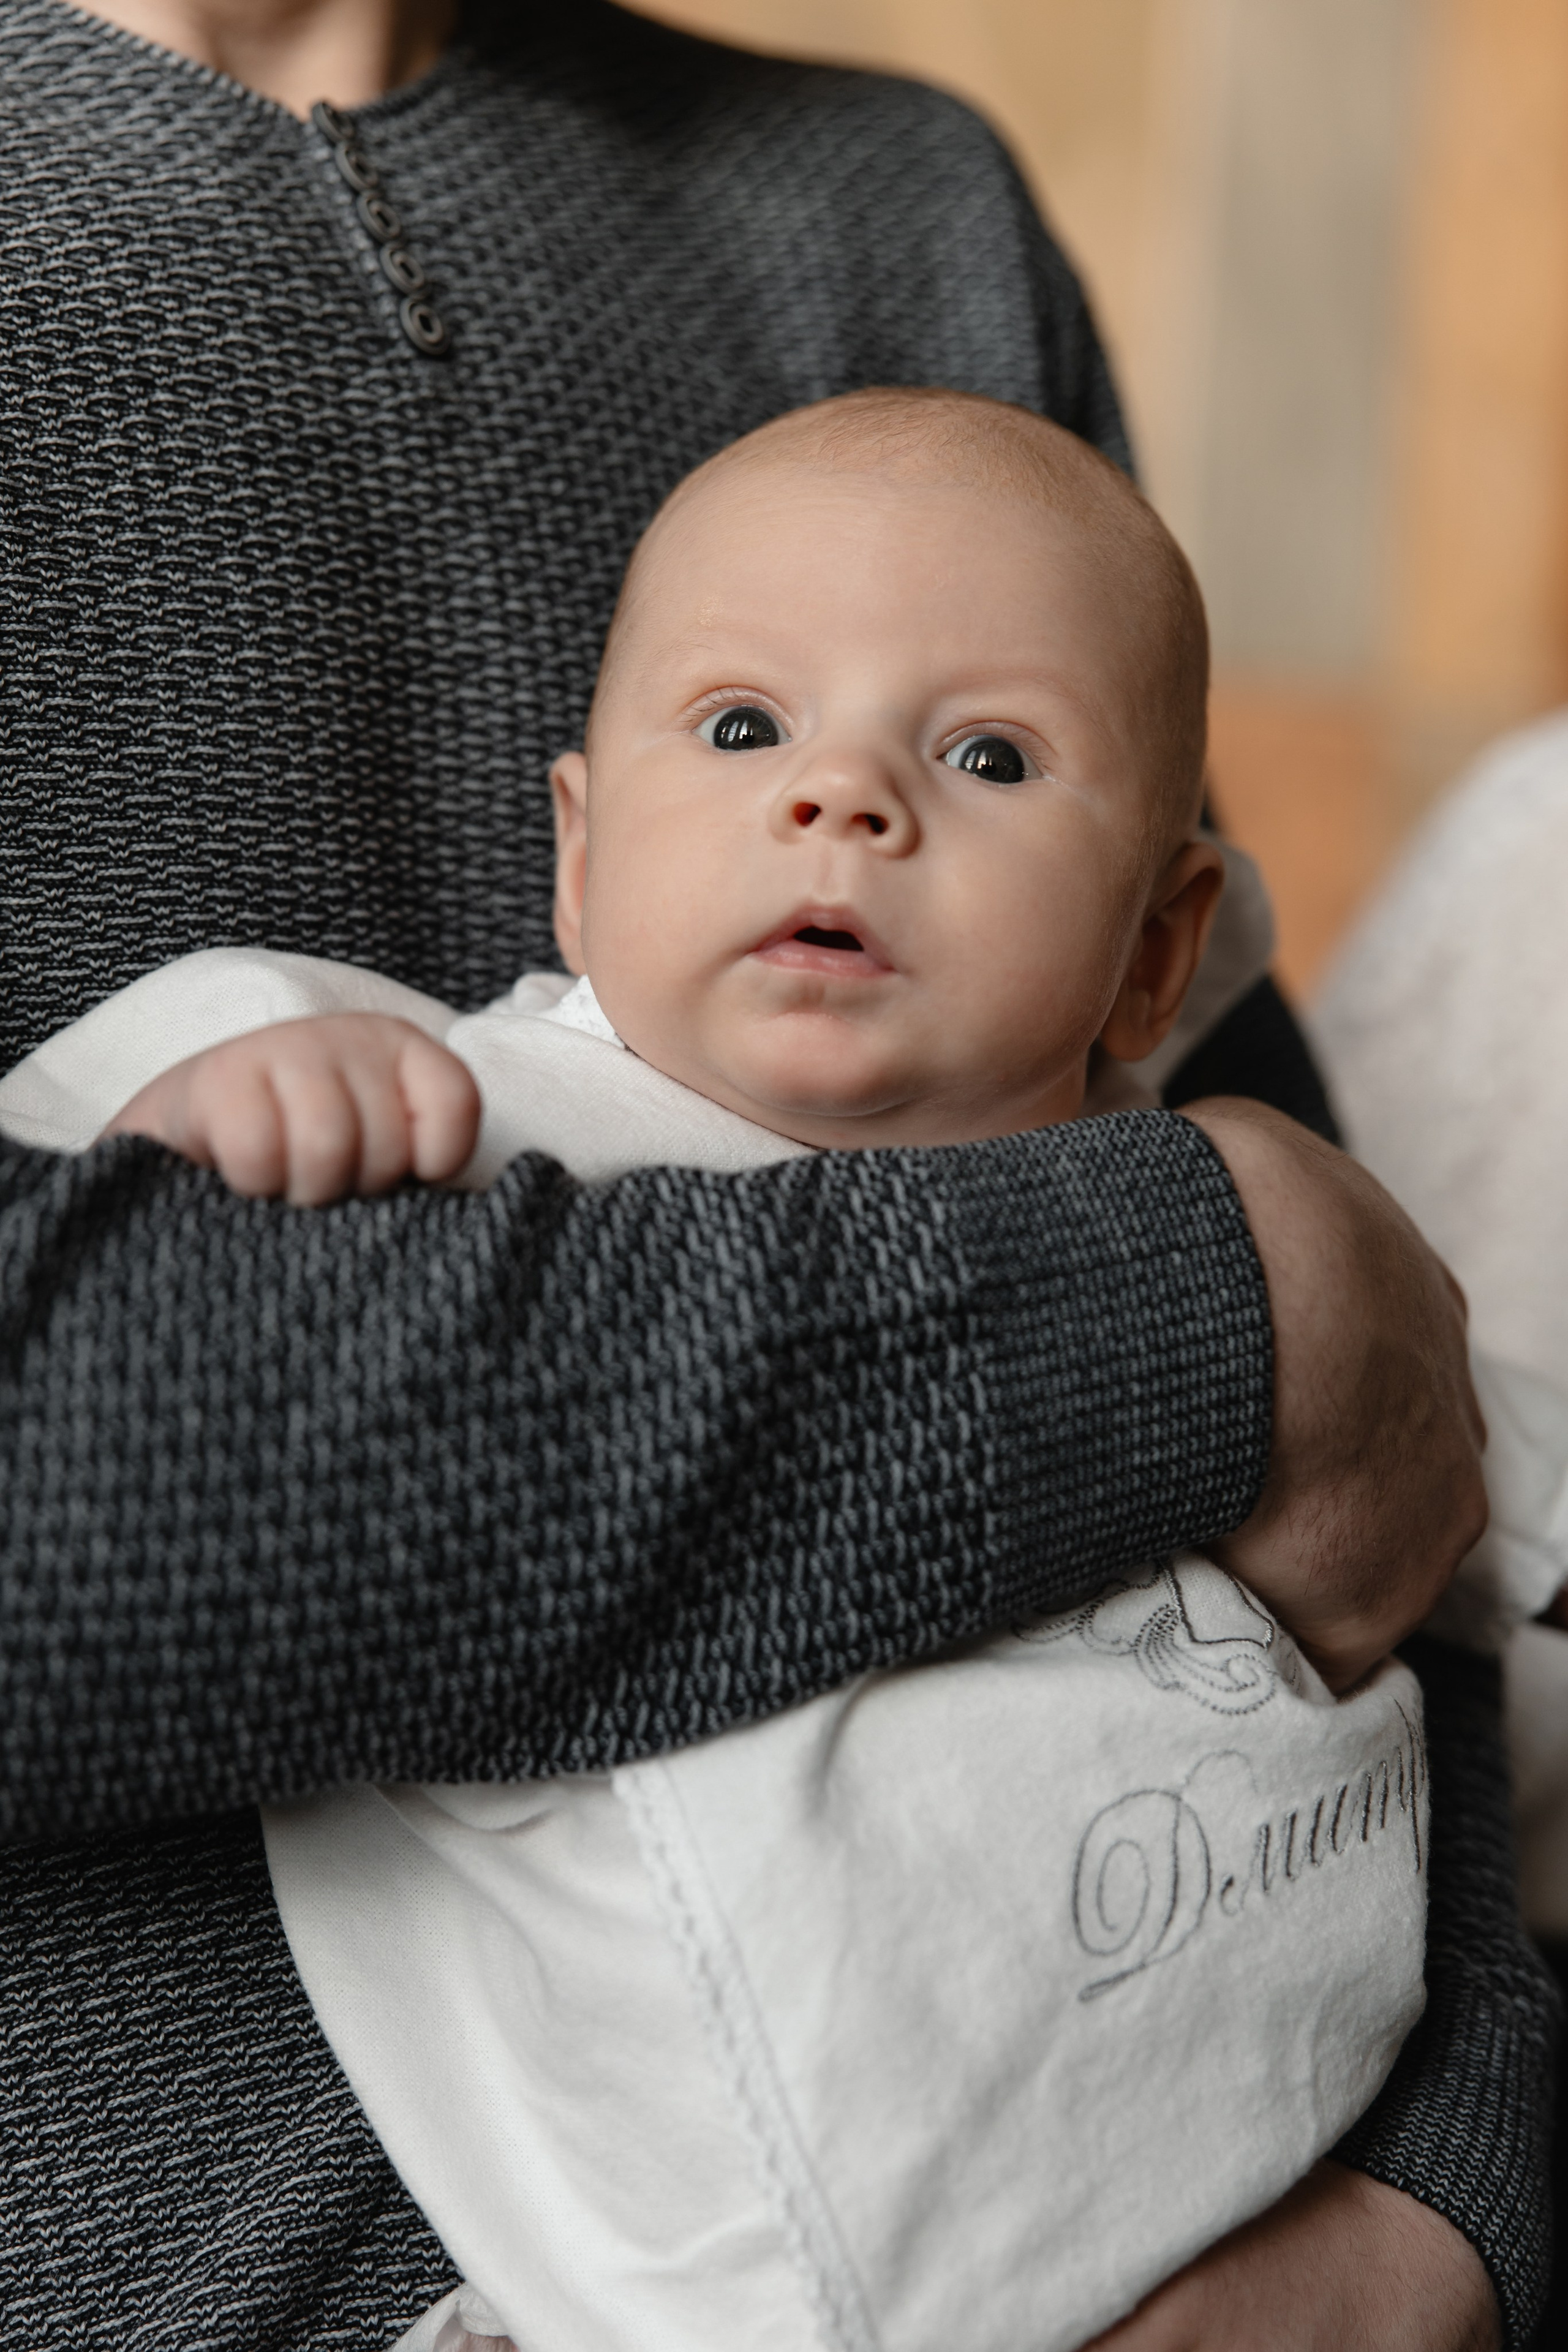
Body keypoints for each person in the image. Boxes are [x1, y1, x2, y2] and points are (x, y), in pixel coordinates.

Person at [0, 0, 1544, 2345]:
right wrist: (1205, 1307)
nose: (840, 806)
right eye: (744, 730)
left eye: (985, 757)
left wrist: (1451, 2212)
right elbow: (1269, 1314)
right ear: (583, 839)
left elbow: (1364, 1486)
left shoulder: (900, 217)